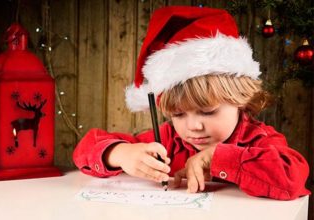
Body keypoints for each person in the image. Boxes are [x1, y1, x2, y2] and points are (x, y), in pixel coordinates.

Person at [73, 6, 310, 200]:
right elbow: (85, 148)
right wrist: (121, 153)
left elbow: (292, 178)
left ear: (240, 101)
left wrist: (218, 156)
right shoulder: (168, 141)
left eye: (207, 112)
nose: (193, 126)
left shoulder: (259, 140)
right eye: (178, 115)